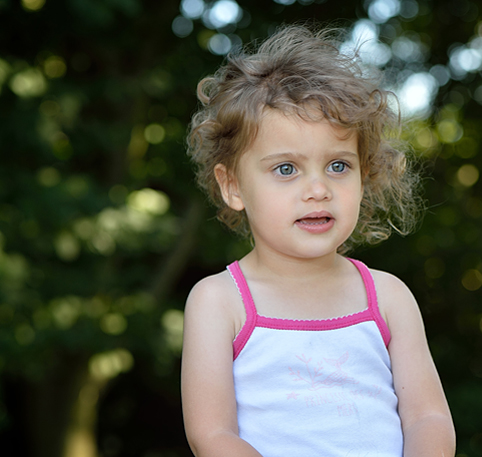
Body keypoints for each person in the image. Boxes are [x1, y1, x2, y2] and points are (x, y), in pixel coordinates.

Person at [181, 25, 456, 457]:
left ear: (365, 174)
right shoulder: (219, 302)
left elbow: (429, 418)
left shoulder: (387, 298)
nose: (318, 189)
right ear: (232, 185)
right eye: (286, 169)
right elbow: (212, 435)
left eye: (338, 166)